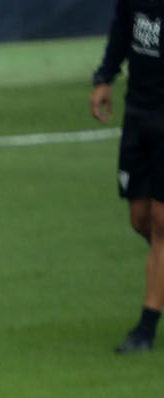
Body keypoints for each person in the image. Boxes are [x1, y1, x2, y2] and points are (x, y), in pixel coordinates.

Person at [90, 0, 163, 354]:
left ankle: (146, 328)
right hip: (138, 111)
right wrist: (104, 77)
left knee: (162, 223)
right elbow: (122, 29)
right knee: (140, 219)